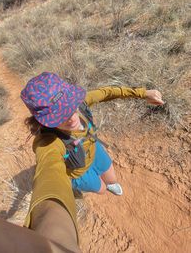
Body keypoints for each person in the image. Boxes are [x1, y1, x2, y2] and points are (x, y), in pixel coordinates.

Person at [20, 72, 164, 201]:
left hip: (93, 148)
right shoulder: (48, 141)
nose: (71, 117)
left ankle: (109, 185)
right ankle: (74, 187)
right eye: (60, 115)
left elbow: (107, 92)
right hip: (77, 173)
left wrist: (143, 93)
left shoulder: (82, 103)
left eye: (70, 107)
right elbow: (47, 165)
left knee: (112, 179)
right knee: (101, 189)